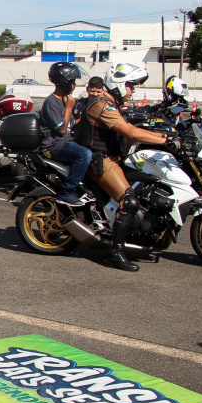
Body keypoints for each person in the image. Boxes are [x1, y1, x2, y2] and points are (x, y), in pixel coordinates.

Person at [73, 62, 172, 272]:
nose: (132, 90)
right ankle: (115, 253)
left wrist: (167, 136)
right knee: (129, 202)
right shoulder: (102, 105)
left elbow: (133, 129)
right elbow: (130, 132)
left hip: (112, 157)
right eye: (130, 85)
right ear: (118, 83)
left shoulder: (111, 104)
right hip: (100, 160)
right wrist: (165, 140)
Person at [40, 63, 93, 207]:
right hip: (54, 145)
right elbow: (61, 129)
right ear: (63, 81)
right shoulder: (51, 102)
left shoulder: (64, 100)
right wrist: (69, 107)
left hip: (66, 142)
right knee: (84, 154)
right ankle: (67, 192)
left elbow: (71, 125)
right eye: (72, 82)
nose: (74, 85)